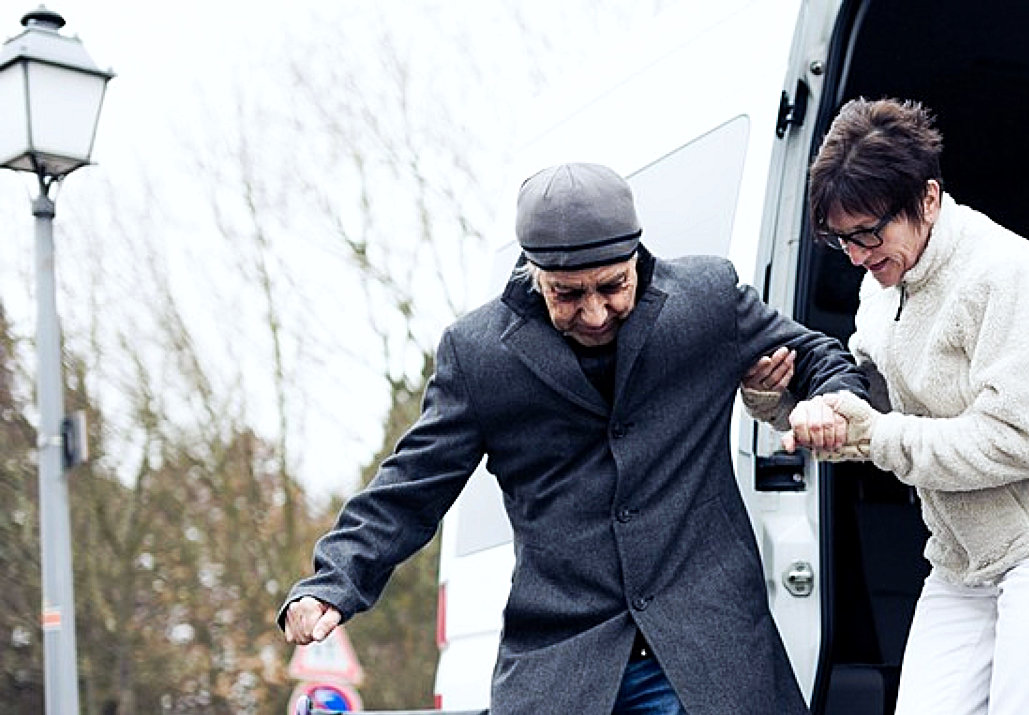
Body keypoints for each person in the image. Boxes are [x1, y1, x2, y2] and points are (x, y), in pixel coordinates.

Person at [278, 162, 866, 715]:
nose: (593, 313)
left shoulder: (705, 300)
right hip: (565, 669)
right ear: (534, 274)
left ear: (638, 257)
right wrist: (334, 581)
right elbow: (411, 485)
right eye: (567, 294)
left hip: (705, 655)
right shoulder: (480, 354)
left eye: (612, 287)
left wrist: (831, 402)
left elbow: (816, 353)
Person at [742, 98, 1029, 715]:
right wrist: (783, 402)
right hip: (959, 559)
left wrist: (876, 436)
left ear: (926, 198)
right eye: (843, 240)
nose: (860, 255)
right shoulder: (879, 290)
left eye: (870, 233)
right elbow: (869, 408)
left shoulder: (1004, 271)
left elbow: (1017, 440)